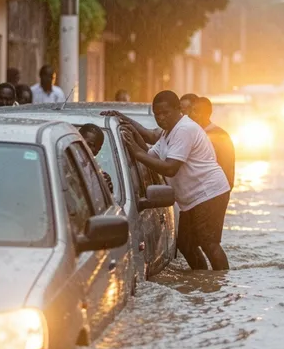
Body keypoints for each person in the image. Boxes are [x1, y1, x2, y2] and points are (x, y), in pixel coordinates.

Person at [122, 90, 231, 271]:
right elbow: (151, 156)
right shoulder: (168, 133)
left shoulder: (184, 129)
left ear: (178, 109)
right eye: (157, 115)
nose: (161, 118)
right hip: (192, 199)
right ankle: (203, 278)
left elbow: (170, 168)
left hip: (209, 193)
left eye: (166, 113)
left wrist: (137, 153)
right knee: (186, 244)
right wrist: (131, 135)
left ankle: (222, 283)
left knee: (209, 244)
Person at [190, 96, 236, 190]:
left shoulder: (220, 135)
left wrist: (226, 188)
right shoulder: (193, 133)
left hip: (215, 191)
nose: (192, 114)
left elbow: (227, 166)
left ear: (206, 114)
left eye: (196, 111)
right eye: (192, 110)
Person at [79, 124, 114, 194]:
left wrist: (106, 188)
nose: (91, 149)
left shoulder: (95, 172)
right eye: (88, 144)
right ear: (78, 141)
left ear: (98, 150)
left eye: (95, 146)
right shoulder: (66, 163)